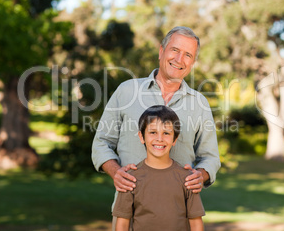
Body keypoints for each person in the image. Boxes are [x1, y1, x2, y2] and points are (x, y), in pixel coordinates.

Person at [91, 26, 220, 228]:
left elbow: (210, 157)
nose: (179, 59)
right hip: (129, 214)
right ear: (161, 51)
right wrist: (116, 172)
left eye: (188, 55)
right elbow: (101, 143)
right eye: (175, 50)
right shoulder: (126, 91)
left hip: (180, 217)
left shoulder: (200, 103)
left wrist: (200, 175)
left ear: (192, 62)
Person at [112, 105, 205, 231]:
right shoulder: (130, 179)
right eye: (153, 132)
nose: (159, 139)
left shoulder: (188, 178)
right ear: (141, 136)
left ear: (174, 139)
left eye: (166, 133)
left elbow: (196, 224)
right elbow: (122, 224)